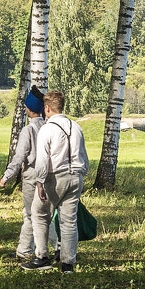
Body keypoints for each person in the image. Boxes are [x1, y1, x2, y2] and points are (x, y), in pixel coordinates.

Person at [23, 90, 88, 273]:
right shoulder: (76, 127)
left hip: (54, 177)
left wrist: (40, 182)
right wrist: (82, 174)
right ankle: (68, 263)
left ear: (47, 108)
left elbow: (43, 159)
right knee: (69, 221)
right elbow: (83, 155)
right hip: (75, 176)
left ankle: (41, 256)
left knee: (40, 214)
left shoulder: (47, 128)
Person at [0, 87, 47, 260]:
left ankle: (24, 249)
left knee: (29, 214)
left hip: (32, 174)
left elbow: (19, 156)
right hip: (48, 174)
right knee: (45, 214)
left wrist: (6, 176)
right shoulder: (48, 126)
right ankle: (52, 248)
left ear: (28, 109)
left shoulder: (28, 130)